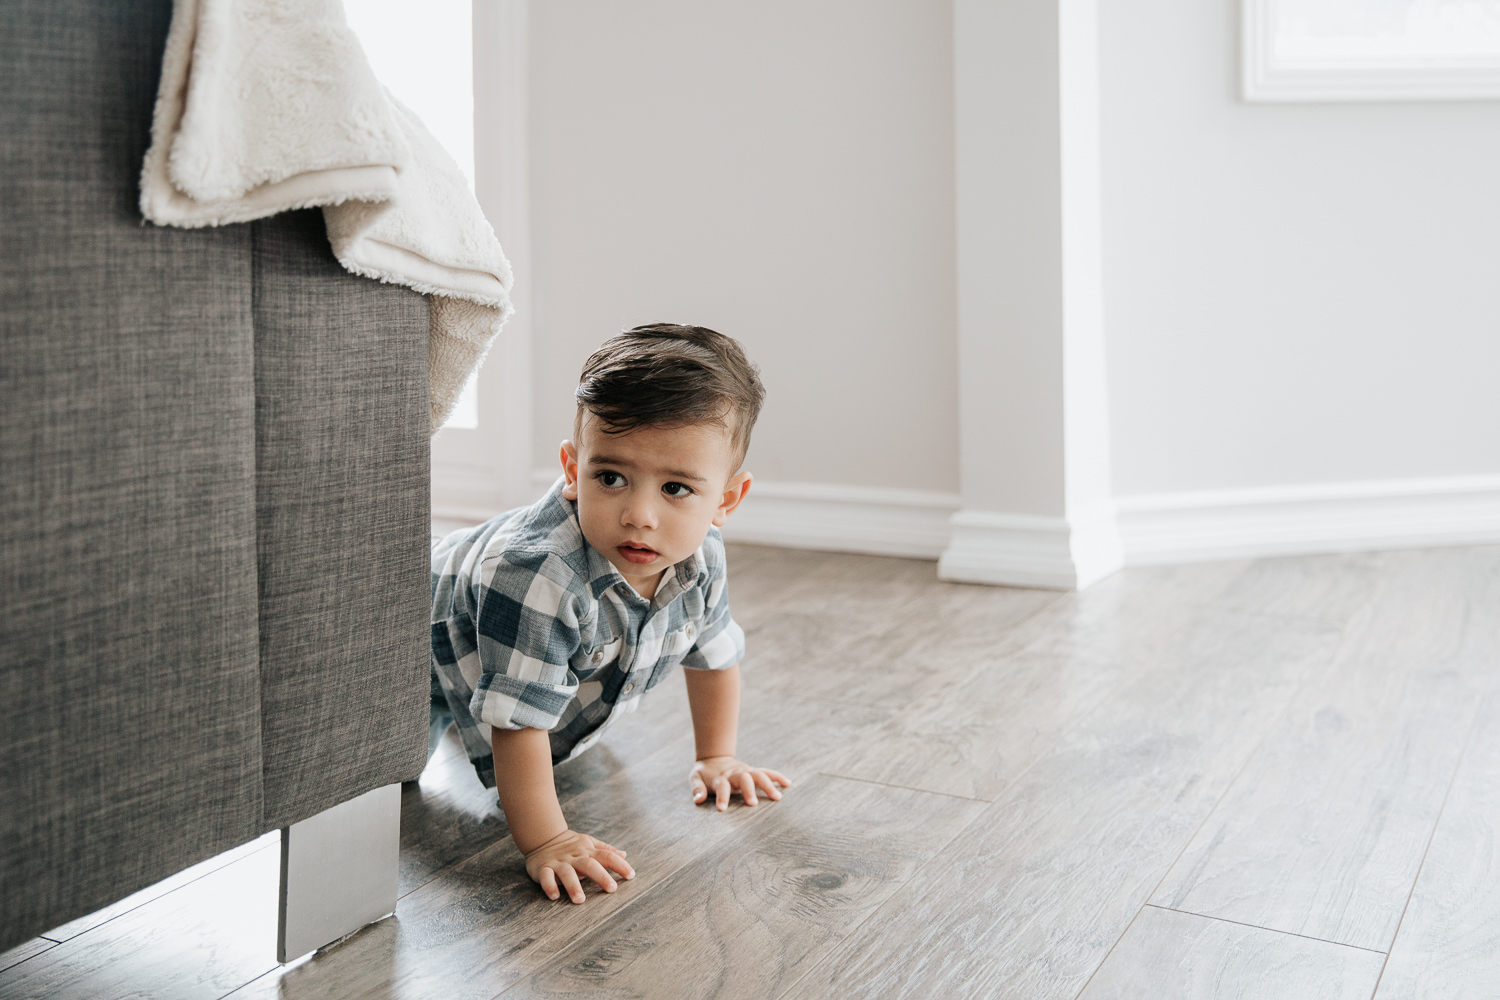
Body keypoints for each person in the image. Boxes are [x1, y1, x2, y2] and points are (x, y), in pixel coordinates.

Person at [429, 323, 789, 905]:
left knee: (532, 697)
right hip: (413, 652)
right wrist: (547, 839)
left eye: (676, 488)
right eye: (612, 478)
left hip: (499, 648)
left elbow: (714, 655)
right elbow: (517, 722)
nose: (640, 515)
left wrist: (717, 757)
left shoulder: (701, 555)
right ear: (574, 471)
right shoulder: (536, 576)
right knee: (380, 782)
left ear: (725, 500)